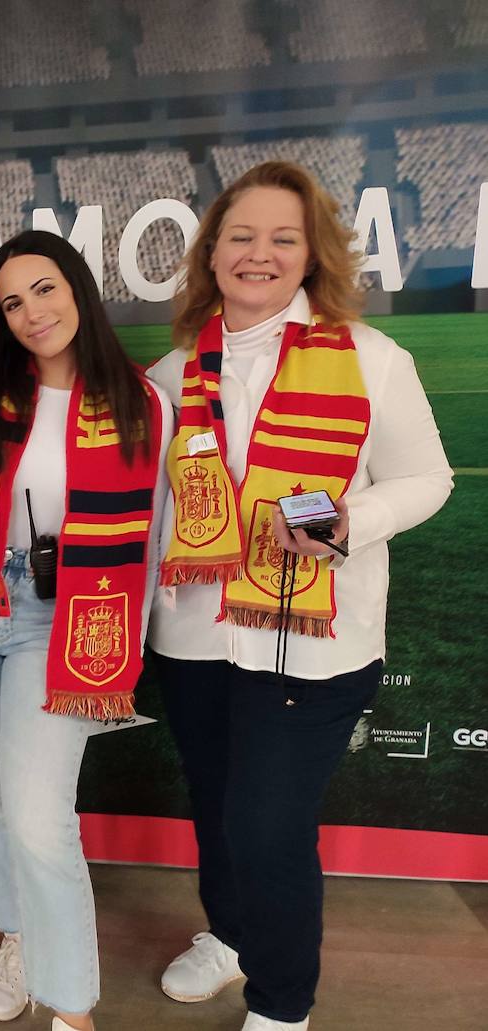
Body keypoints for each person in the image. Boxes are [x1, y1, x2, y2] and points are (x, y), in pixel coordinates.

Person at [147, 161, 453, 1031]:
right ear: (212, 254)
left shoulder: (370, 357)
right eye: (241, 236)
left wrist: (348, 520)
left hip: (314, 641)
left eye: (284, 237)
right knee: (216, 805)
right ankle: (232, 937)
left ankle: (282, 1005)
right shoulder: (175, 375)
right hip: (197, 636)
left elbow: (428, 478)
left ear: (312, 254)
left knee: (268, 825)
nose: (260, 254)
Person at [0, 230, 172, 1030]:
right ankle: (17, 938)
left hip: (67, 620)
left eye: (45, 289)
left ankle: (72, 1001)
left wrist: (125, 646)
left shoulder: (144, 398)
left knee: (38, 811)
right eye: (12, 302)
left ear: (78, 288)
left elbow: (158, 535)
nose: (32, 312)